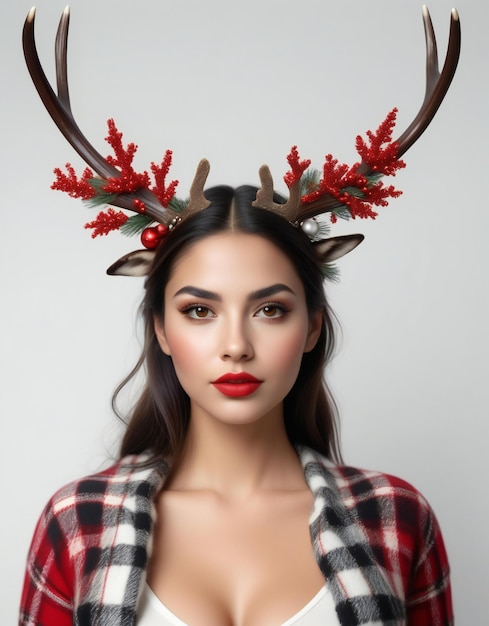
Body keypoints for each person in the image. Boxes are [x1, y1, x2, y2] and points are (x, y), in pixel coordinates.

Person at [19, 6, 460, 626]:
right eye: (199, 310)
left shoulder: (395, 515)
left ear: (311, 327)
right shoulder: (77, 523)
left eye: (270, 310)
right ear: (161, 330)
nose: (235, 345)